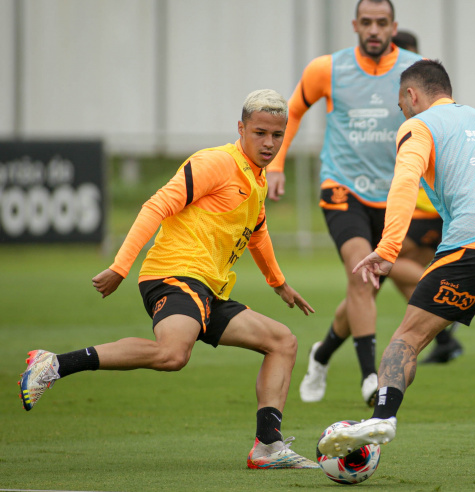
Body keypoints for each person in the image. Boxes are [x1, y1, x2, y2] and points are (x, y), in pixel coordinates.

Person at [19, 89, 320, 470]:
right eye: (260, 132)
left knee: (282, 341)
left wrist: (279, 283)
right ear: (241, 128)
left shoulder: (257, 181)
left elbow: (257, 233)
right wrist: (121, 265)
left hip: (208, 289)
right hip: (173, 274)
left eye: (277, 135)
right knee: (173, 354)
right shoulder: (215, 162)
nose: (269, 143)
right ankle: (55, 364)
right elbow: (157, 204)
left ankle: (268, 447)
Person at [318, 60, 475, 482]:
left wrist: (387, 248)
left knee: (407, 337)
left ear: (412, 96)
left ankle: (383, 416)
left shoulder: (420, 125)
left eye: (401, 105)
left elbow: (404, 181)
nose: (402, 113)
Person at [267, 0, 426, 406]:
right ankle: (369, 377)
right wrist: (277, 164)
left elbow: (437, 124)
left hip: (393, 196)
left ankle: (320, 355)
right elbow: (292, 111)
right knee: (360, 275)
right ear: (355, 25)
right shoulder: (327, 68)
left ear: (394, 26)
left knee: (367, 289)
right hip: (342, 189)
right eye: (367, 22)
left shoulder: (415, 70)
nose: (374, 30)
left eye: (382, 22)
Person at [392, 29, 463, 365]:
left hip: (422, 206)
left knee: (390, 264)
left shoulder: (415, 100)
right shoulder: (438, 97)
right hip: (440, 206)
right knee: (409, 273)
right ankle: (445, 338)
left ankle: (452, 301)